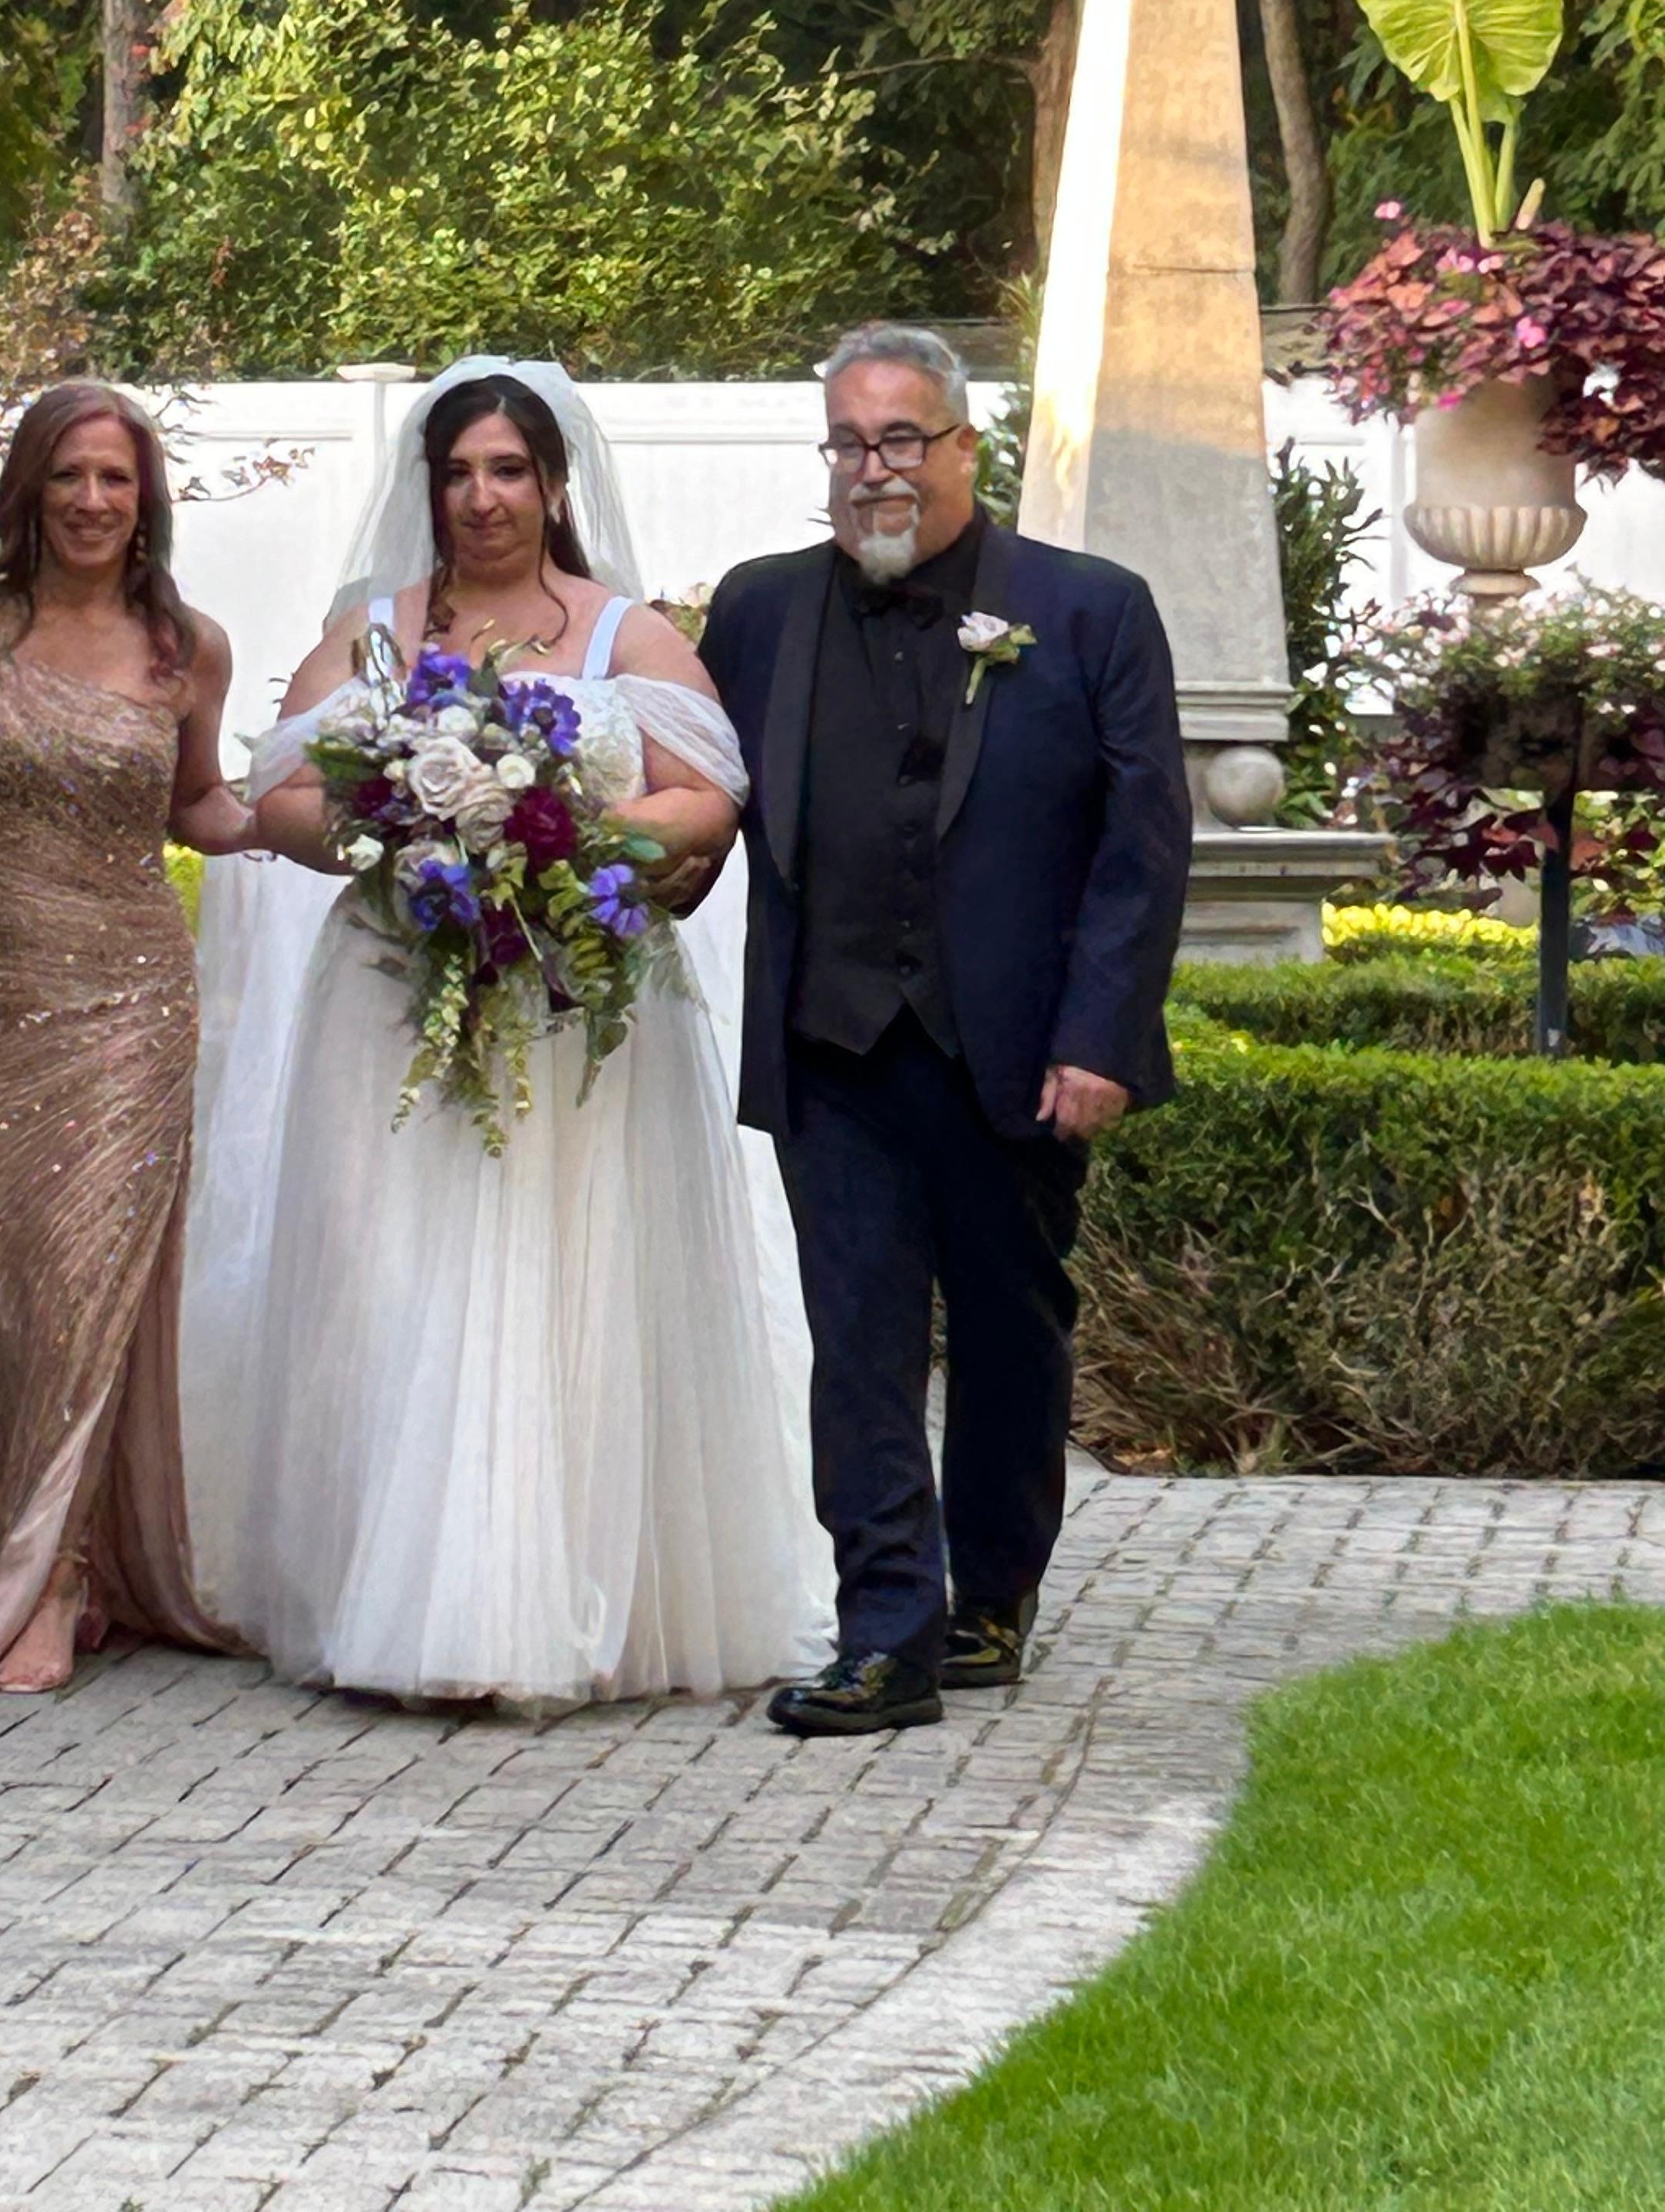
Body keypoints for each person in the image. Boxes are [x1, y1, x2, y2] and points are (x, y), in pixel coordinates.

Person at [182, 359, 832, 1709]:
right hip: (391, 1015)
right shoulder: (369, 632)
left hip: (569, 1016)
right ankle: (398, 1601)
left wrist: (547, 833)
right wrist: (406, 832)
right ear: (430, 488)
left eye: (508, 471)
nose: (482, 498)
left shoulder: (622, 636)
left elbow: (709, 801)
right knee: (395, 1286)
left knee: (564, 1290)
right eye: (459, 472)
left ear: (553, 485)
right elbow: (277, 801)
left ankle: (570, 1604)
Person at [701, 323, 1192, 1738]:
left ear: (966, 445)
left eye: (903, 440)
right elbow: (689, 787)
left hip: (1020, 1051)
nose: (875, 472)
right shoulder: (760, 609)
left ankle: (992, 1597)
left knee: (1010, 1330)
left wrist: (1100, 1038)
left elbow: (1141, 851)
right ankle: (886, 1630)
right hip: (832, 1046)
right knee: (854, 1338)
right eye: (850, 445)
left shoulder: (1090, 610)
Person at [0, 380, 254, 1693]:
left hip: (130, 994)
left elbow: (203, 809)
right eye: (69, 476)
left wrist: (335, 811)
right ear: (29, 488)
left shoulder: (188, 646)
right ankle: (20, 1546)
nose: (91, 500)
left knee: (90, 1282)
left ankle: (57, 1579)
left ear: (146, 500)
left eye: (115, 479)